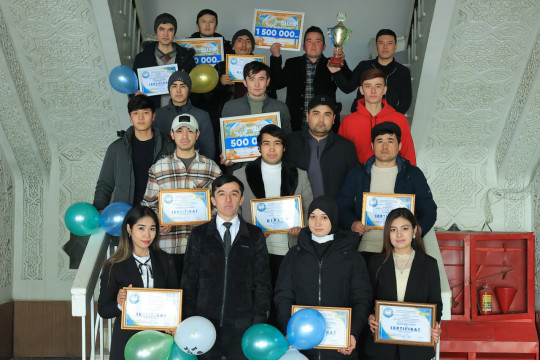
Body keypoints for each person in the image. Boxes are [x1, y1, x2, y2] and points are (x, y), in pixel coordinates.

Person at [181, 174, 271, 360]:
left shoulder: (255, 236)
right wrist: (187, 321)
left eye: (234, 194)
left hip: (242, 326)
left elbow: (262, 283)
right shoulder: (198, 235)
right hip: (203, 325)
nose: (228, 200)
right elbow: (189, 282)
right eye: (222, 194)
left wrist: (258, 323)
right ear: (213, 200)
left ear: (242, 199)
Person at [274, 196, 372, 359]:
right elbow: (283, 296)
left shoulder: (352, 257)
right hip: (301, 348)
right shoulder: (294, 255)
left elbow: (361, 298)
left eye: (324, 217)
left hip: (339, 347)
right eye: (313, 217)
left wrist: (353, 333)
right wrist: (288, 330)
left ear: (333, 219)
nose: (317, 223)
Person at [337, 122, 436, 260]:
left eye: (390, 141)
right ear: (372, 146)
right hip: (365, 249)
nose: (385, 146)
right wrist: (352, 223)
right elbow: (342, 206)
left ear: (399, 146)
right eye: (380, 141)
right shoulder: (357, 174)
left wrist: (418, 230)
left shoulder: (412, 174)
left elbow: (429, 209)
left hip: (401, 249)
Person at [232, 124, 312, 292]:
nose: (272, 148)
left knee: (285, 296)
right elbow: (232, 214)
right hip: (253, 250)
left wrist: (302, 229)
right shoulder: (240, 175)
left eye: (277, 143)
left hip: (289, 249)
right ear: (259, 147)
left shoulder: (300, 175)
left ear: (284, 147)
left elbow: (309, 210)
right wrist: (250, 232)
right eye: (267, 143)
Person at [142, 114, 221, 281]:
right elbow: (147, 206)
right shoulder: (158, 168)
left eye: (189, 131)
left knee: (201, 300)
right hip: (168, 249)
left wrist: (208, 217)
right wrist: (159, 221)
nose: (184, 136)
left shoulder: (212, 168)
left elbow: (221, 206)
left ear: (197, 134)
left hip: (203, 248)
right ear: (172, 134)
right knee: (172, 299)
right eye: (179, 131)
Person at [98, 206, 178, 360]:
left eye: (152, 228)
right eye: (141, 228)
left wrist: (173, 323)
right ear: (129, 228)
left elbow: (174, 299)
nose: (147, 234)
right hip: (127, 341)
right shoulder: (114, 265)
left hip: (160, 339)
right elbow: (103, 310)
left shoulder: (165, 260)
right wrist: (120, 304)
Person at [366, 207, 442, 360]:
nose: (399, 235)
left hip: (416, 348)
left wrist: (435, 324)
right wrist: (370, 317)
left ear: (414, 230)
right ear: (388, 233)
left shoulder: (429, 264)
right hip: (381, 348)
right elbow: (367, 300)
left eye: (405, 229)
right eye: (393, 230)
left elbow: (436, 304)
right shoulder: (376, 263)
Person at [93, 95, 174, 212]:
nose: (140, 117)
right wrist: (99, 210)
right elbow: (104, 184)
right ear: (130, 117)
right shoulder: (116, 148)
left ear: (153, 116)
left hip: (158, 215)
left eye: (145, 112)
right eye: (136, 113)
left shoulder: (168, 147)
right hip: (125, 216)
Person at [270, 26, 351, 131]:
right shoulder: (292, 64)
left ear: (324, 46)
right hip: (296, 124)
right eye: (309, 41)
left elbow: (348, 87)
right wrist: (276, 58)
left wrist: (342, 63)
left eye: (318, 41)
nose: (313, 45)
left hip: (325, 126)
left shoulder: (332, 63)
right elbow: (277, 84)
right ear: (304, 46)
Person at [283, 94, 358, 199]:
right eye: (316, 113)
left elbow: (354, 184)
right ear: (307, 116)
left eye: (327, 114)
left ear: (333, 118)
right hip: (298, 211)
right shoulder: (290, 142)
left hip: (333, 212)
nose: (321, 119)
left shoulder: (346, 147)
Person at [338, 68, 416, 165]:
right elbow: (341, 157)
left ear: (384, 90)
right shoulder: (348, 122)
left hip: (392, 177)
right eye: (368, 86)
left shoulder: (399, 119)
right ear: (361, 90)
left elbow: (408, 155)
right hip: (358, 178)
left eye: (378, 86)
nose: (373, 91)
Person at [330, 29, 412, 114]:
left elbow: (405, 102)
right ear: (376, 47)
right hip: (360, 117)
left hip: (387, 122)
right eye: (381, 43)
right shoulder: (364, 66)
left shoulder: (403, 72)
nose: (385, 47)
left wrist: (392, 118)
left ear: (395, 47)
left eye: (389, 43)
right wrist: (337, 72)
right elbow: (348, 88)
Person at [133, 13, 196, 109]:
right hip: (151, 113)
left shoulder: (186, 58)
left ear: (174, 32)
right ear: (156, 31)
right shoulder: (142, 58)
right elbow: (134, 87)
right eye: (161, 29)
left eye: (170, 30)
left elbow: (194, 90)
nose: (165, 34)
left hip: (181, 113)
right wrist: (135, 94)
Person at [155, 70, 215, 159]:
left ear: (189, 89)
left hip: (195, 169)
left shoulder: (202, 116)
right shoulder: (157, 115)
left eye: (183, 86)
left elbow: (208, 150)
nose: (178, 90)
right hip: (164, 169)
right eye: (174, 86)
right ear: (169, 89)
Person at [222, 61, 292, 133]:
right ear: (245, 82)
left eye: (261, 79)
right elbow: (224, 141)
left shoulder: (281, 108)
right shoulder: (230, 107)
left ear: (267, 81)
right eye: (251, 79)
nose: (257, 84)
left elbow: (287, 139)